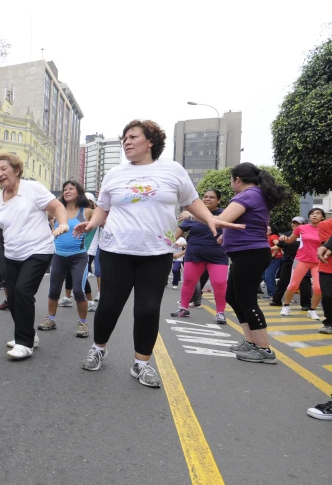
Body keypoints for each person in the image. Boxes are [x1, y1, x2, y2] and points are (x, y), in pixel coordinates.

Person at [72, 120, 242, 387]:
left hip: (156, 252)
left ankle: (141, 363)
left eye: (133, 137)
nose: (127, 141)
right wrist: (92, 223)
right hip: (116, 249)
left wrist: (210, 219)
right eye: (124, 138)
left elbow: (191, 201)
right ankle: (98, 347)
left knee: (148, 309)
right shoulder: (115, 174)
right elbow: (103, 206)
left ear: (150, 141)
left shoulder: (172, 170)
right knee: (109, 306)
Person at [0, 152, 68, 360]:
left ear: (16, 170)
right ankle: (29, 334)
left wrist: (63, 224)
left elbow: (57, 207)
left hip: (38, 250)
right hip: (12, 254)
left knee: (23, 292)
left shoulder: (32, 189)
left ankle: (25, 343)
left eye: (3, 169)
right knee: (12, 296)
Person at [211, 162, 290, 363]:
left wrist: (191, 214)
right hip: (246, 253)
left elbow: (221, 220)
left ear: (237, 179)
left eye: (231, 180)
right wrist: (226, 236)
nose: (231, 184)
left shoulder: (247, 195)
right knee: (233, 297)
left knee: (246, 301)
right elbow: (246, 223)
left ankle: (265, 350)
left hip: (250, 254)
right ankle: (251, 342)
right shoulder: (257, 195)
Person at [36, 180, 93, 337]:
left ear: (79, 192)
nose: (67, 191)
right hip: (59, 256)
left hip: (79, 257)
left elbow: (101, 222)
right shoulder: (54, 212)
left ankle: (83, 323)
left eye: (71, 189)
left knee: (78, 291)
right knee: (54, 290)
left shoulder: (87, 211)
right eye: (65, 189)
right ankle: (51, 319)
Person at [172, 189, 230, 323]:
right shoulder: (192, 215)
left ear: (219, 200)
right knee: (188, 282)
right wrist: (168, 242)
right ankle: (183, 308)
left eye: (212, 197)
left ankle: (220, 313)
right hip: (194, 255)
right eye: (205, 197)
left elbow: (216, 221)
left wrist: (191, 216)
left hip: (218, 256)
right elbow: (177, 233)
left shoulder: (224, 214)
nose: (207, 199)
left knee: (220, 283)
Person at [279, 208, 326, 320]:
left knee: (318, 288)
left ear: (323, 217)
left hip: (318, 262)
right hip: (301, 260)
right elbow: (290, 240)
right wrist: (285, 238)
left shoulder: (326, 229)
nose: (314, 215)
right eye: (312, 214)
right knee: (293, 285)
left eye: (318, 213)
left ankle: (312, 310)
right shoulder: (302, 228)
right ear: (309, 217)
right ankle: (286, 306)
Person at [270, 217, 310, 307]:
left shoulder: (307, 235)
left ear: (303, 225)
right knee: (283, 281)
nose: (294, 225)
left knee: (304, 282)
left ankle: (306, 304)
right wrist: (267, 248)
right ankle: (276, 300)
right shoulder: (287, 235)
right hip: (288, 261)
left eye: (297, 224)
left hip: (302, 262)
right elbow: (278, 246)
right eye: (293, 223)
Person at [317, 217, 332, 334]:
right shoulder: (324, 224)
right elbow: (326, 243)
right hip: (327, 266)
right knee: (327, 296)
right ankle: (329, 323)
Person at [263, 224, 282, 298]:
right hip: (271, 259)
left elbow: (279, 245)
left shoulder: (273, 236)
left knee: (268, 276)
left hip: (275, 258)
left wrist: (273, 253)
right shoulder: (268, 237)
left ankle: (273, 294)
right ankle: (272, 292)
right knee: (265, 275)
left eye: (267, 229)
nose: (265, 230)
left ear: (271, 231)